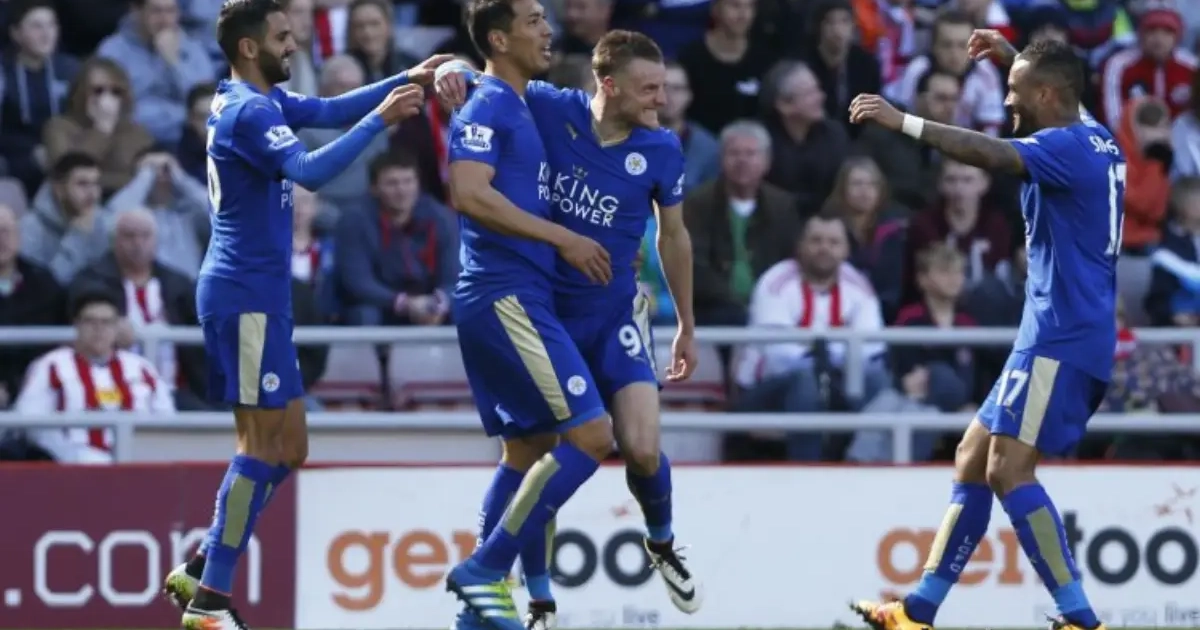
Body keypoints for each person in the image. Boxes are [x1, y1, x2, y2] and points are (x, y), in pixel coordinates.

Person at [154, 1, 445, 629]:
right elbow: (310, 171)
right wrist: (381, 119)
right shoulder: (251, 112)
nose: (294, 46)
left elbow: (328, 110)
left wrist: (407, 77)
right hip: (242, 297)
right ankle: (209, 603)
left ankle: (204, 564)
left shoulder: (254, 100)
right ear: (250, 47)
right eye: (283, 37)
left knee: (290, 447)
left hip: (262, 296)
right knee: (260, 446)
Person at [847, 31, 1120, 630]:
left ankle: (1080, 618)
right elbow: (1056, 89)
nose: (1006, 101)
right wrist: (1012, 58)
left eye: (1016, 90)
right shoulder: (1097, 136)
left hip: (1062, 337)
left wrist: (902, 121)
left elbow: (989, 153)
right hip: (1054, 333)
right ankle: (918, 611)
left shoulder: (1061, 147)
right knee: (973, 456)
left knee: (1007, 470)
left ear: (1046, 95)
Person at [436, 29, 703, 625]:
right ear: (608, 85)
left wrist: (687, 323)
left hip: (614, 316)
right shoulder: (549, 107)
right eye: (648, 89)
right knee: (539, 453)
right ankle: (532, 598)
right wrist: (450, 67)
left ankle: (661, 544)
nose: (661, 101)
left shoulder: (662, 149)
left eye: (662, 87)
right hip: (546, 312)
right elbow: (487, 74)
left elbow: (674, 236)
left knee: (641, 447)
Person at [437, 2, 617, 630]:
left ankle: (480, 617)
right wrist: (563, 238)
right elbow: (468, 191)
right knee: (592, 437)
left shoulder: (516, 102)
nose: (548, 29)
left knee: (527, 451)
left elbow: (449, 67)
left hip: (513, 294)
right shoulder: (487, 104)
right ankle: (485, 571)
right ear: (498, 37)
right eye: (534, 20)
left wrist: (450, 68)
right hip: (505, 294)